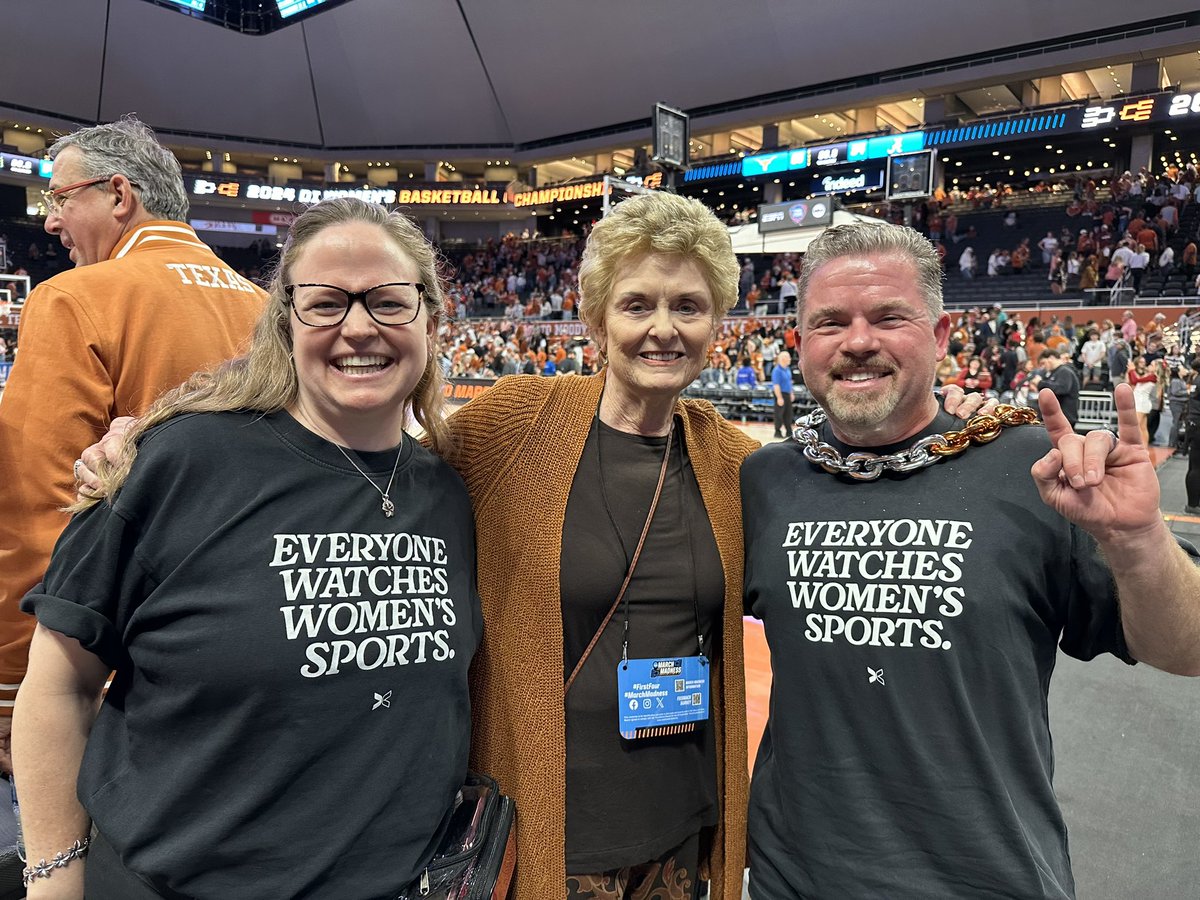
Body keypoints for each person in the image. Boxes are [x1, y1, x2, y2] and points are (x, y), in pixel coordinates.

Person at [13, 198, 481, 899]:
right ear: (286, 320)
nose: (359, 328)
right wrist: (53, 880)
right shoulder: (178, 461)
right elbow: (58, 682)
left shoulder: (450, 491)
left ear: (431, 322)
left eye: (388, 301)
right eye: (326, 304)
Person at [741, 220, 1200, 899]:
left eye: (889, 317)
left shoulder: (1035, 468)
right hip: (792, 881)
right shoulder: (763, 479)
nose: (858, 341)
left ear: (942, 333)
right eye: (830, 322)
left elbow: (1185, 649)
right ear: (799, 341)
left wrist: (1137, 543)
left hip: (986, 879)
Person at [0, 116, 266, 768]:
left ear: (120, 194)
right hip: (254, 658)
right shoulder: (270, 307)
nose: (51, 222)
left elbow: (40, 509)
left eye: (60, 198)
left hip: (118, 677)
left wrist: (15, 686)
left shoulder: (72, 298)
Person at [1033, 348, 1081, 428]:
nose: (1044, 367)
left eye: (1043, 363)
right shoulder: (1055, 372)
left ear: (1051, 358)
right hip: (1057, 417)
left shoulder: (1065, 371)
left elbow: (1062, 389)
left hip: (1065, 417)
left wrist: (1040, 383)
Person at [771, 350, 795, 439]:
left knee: (788, 414)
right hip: (780, 394)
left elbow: (789, 382)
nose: (790, 359)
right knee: (779, 414)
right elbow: (776, 385)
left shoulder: (787, 369)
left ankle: (789, 431)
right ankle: (777, 431)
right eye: (788, 357)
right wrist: (779, 398)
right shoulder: (777, 370)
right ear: (783, 358)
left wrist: (791, 393)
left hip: (787, 394)